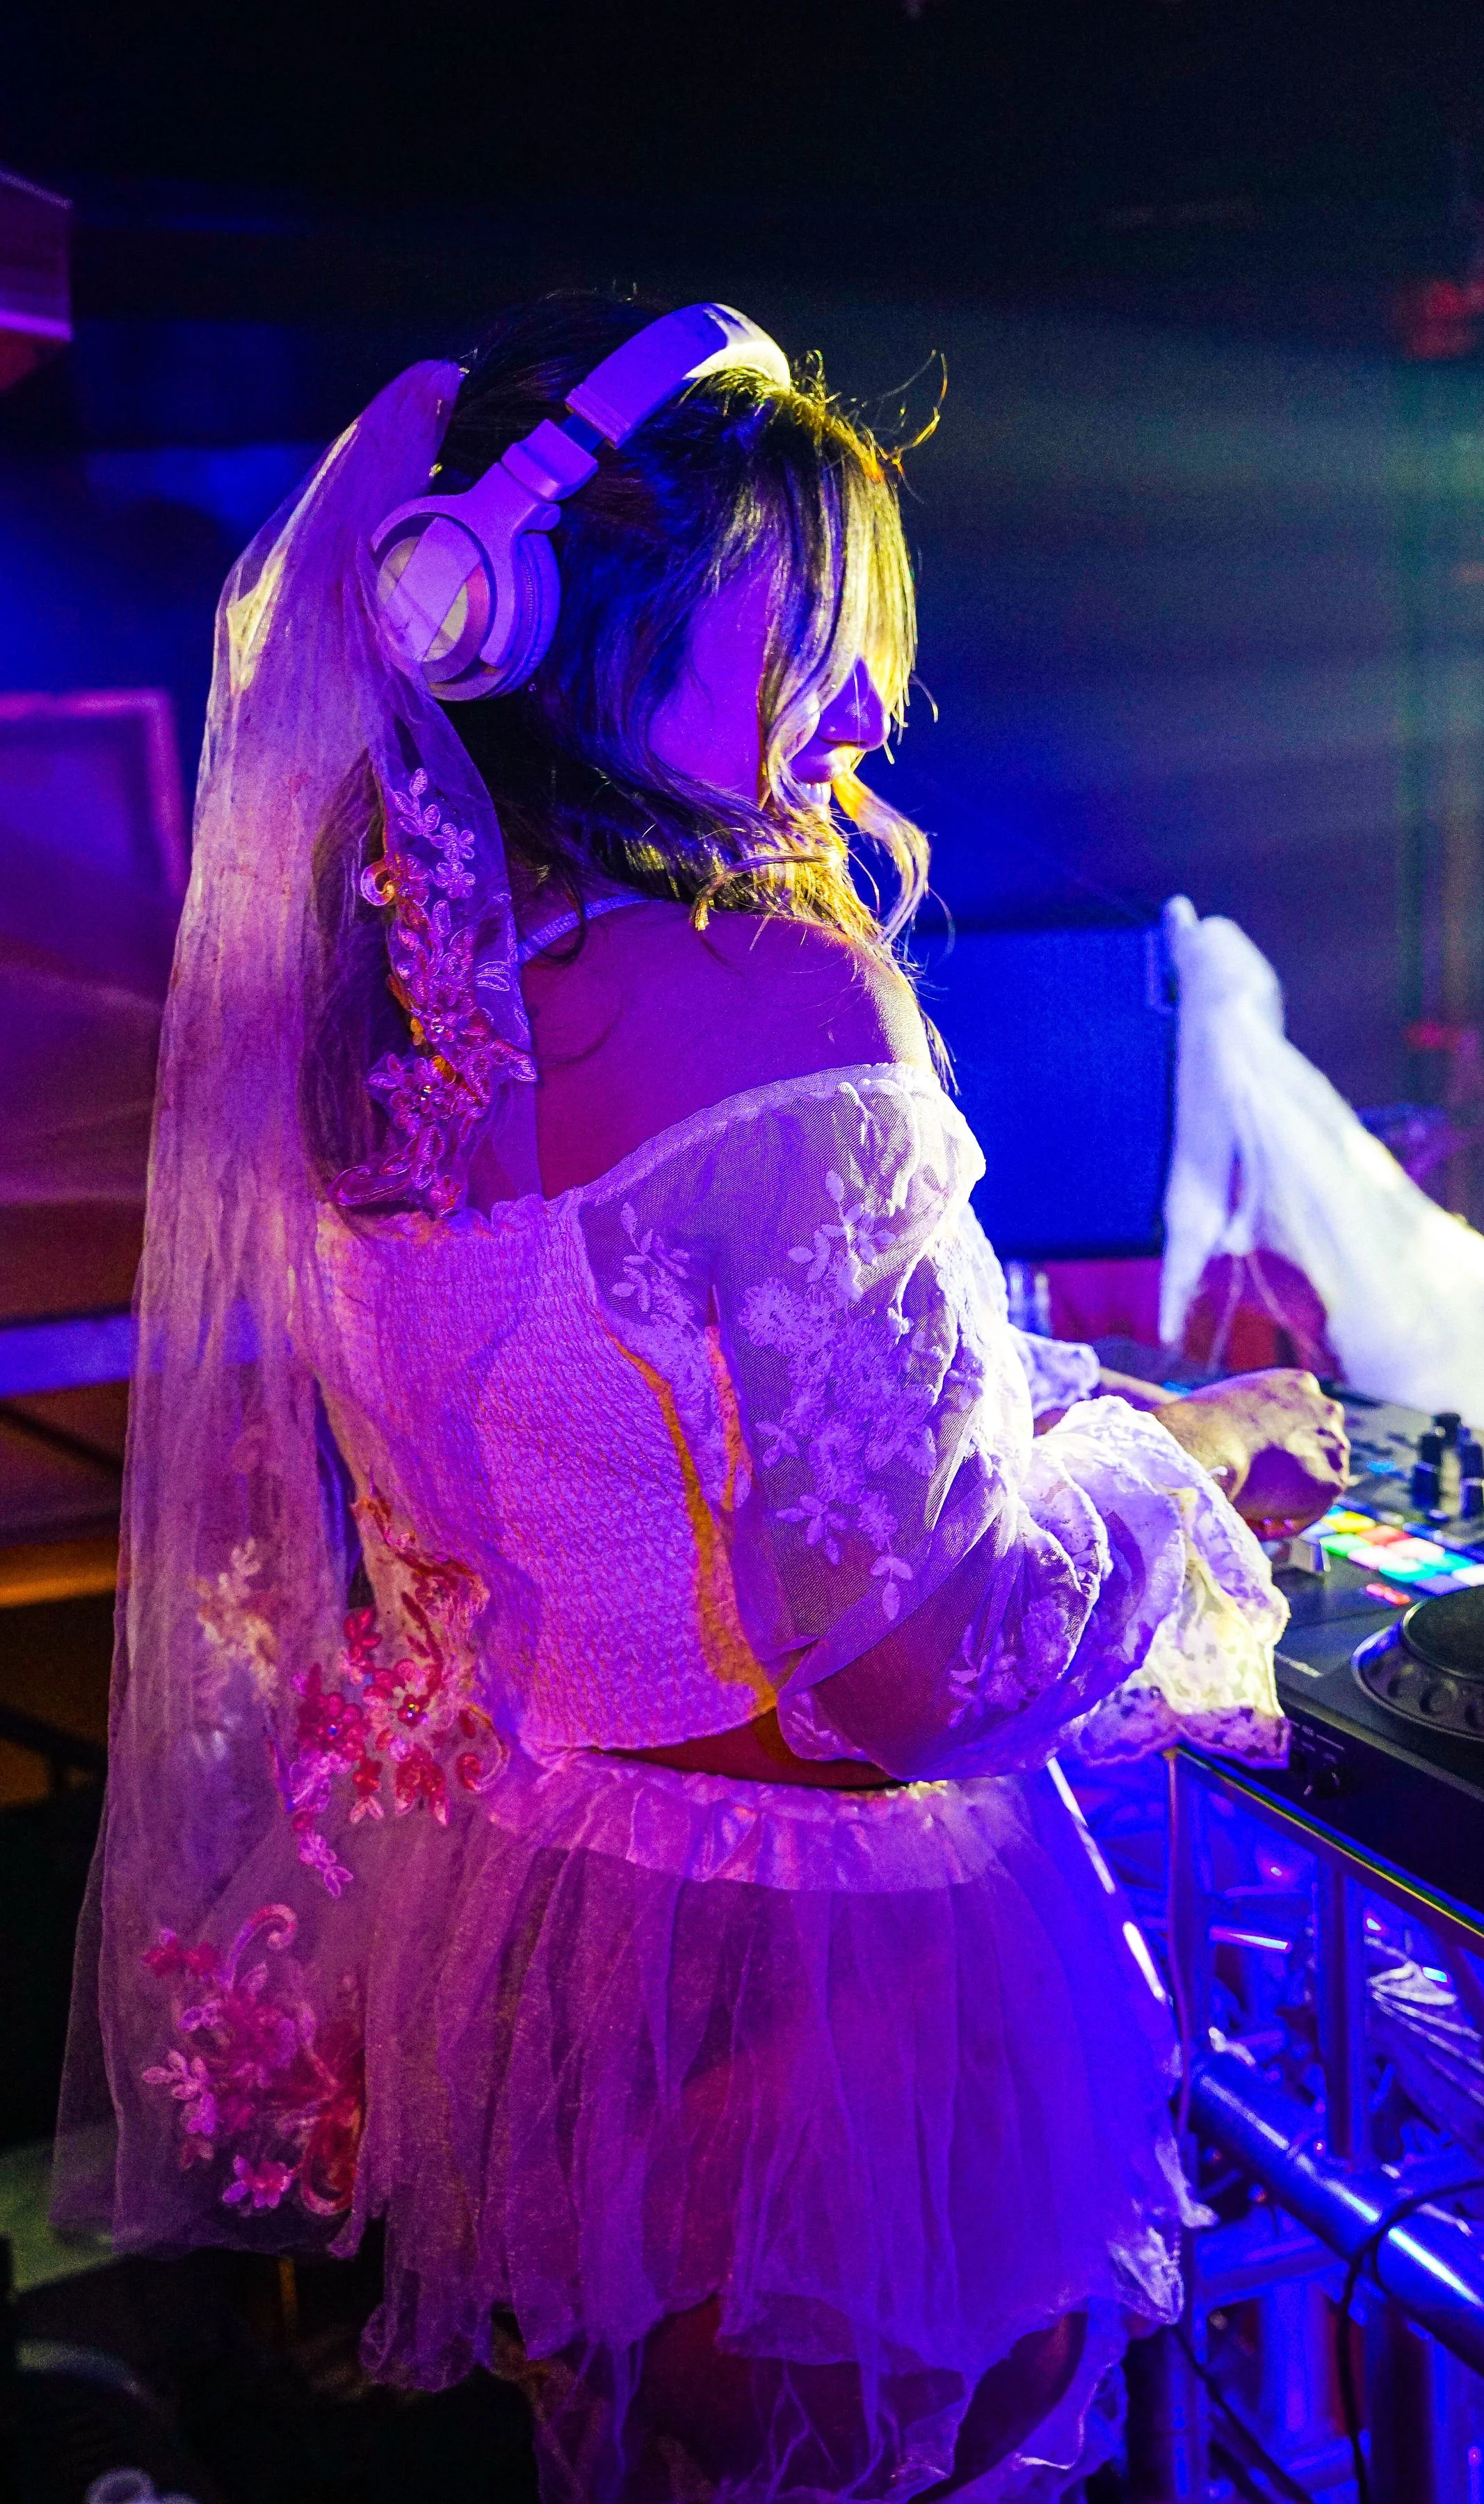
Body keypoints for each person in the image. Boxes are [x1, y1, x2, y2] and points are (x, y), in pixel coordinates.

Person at [56, 292, 1347, 2503]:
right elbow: (925, 1664)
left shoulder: (384, 988)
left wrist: (1030, 1389)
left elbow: (629, 1412)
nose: (863, 701)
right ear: (542, 612)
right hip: (839, 1969)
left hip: (566, 1927)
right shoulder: (761, 977)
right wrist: (1196, 1463)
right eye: (809, 625)